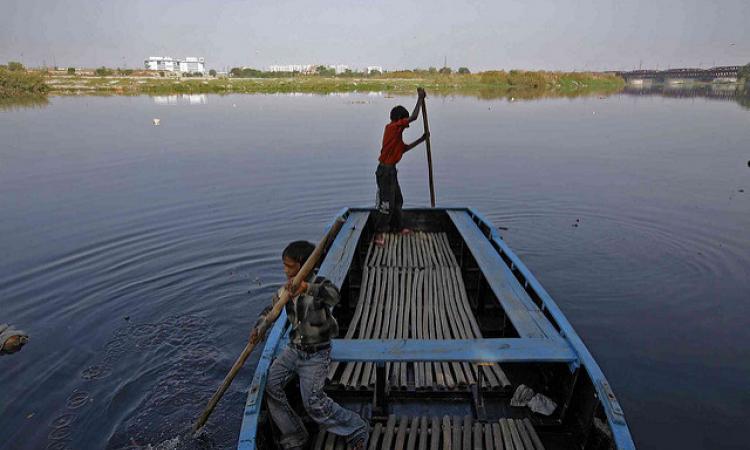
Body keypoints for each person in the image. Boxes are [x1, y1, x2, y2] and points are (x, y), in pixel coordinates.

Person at [250, 241, 368, 450]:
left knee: (313, 402)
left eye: (290, 266)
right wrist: (259, 328)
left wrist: (307, 288)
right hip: (294, 349)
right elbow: (270, 311)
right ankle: (294, 434)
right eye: (284, 265)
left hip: (316, 354)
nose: (286, 270)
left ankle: (356, 427)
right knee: (271, 384)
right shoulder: (285, 291)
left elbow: (334, 296)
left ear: (303, 265)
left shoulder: (320, 284)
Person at [373, 87, 430, 247]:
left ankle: (397, 227)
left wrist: (421, 139)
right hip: (385, 171)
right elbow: (414, 117)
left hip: (391, 171)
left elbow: (404, 148)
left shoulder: (397, 136)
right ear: (399, 120)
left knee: (398, 200)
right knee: (386, 205)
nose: (406, 125)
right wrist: (420, 98)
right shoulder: (391, 128)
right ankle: (379, 234)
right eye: (403, 122)